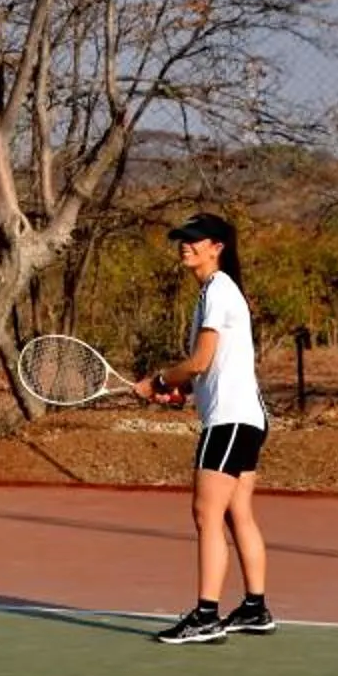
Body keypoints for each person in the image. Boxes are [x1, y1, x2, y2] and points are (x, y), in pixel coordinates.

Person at [138, 212, 272, 645]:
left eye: (195, 240)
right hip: (247, 417)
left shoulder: (218, 289)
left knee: (206, 513)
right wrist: (177, 394)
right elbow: (209, 373)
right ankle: (254, 608)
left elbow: (200, 361)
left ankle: (206, 616)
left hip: (231, 421)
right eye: (182, 238)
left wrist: (159, 380)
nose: (185, 245)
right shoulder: (217, 293)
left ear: (218, 247)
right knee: (236, 513)